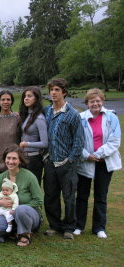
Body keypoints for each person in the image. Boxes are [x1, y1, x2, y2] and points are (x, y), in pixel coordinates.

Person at [73, 89, 122, 239]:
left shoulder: (112, 117)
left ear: (103, 101)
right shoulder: (80, 118)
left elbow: (115, 140)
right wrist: (87, 155)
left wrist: (98, 154)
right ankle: (78, 226)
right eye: (92, 101)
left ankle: (99, 228)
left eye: (98, 100)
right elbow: (76, 140)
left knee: (101, 196)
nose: (95, 103)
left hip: (104, 162)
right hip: (85, 161)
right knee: (82, 195)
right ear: (87, 103)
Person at [43, 78, 84, 240]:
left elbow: (79, 140)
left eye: (57, 90)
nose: (53, 93)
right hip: (50, 161)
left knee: (68, 197)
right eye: (51, 90)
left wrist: (70, 160)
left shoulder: (73, 114)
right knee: (51, 195)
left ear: (64, 93)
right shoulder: (46, 111)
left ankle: (68, 227)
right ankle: (54, 225)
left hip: (66, 163)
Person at [0, 146, 44, 246]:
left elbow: (39, 200)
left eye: (14, 158)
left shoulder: (29, 176)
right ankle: (16, 229)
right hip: (8, 213)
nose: (11, 161)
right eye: (8, 158)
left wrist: (17, 207)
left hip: (30, 214)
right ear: (5, 159)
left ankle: (25, 234)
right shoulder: (1, 177)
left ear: (20, 160)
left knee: (21, 210)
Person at [0, 90, 20, 191]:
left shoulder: (17, 119)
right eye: (3, 99)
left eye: (8, 99)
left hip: (12, 163)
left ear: (12, 101)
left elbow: (20, 139)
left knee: (13, 195)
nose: (5, 102)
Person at [18, 87, 48, 185]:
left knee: (32, 188)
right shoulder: (27, 115)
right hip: (23, 158)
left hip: (34, 159)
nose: (26, 98)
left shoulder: (39, 118)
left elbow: (44, 143)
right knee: (22, 188)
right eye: (25, 96)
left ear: (36, 98)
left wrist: (27, 144)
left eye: (29, 96)